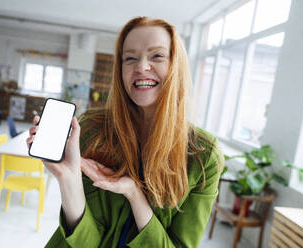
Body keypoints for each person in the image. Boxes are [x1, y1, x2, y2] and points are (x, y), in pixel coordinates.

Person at [27, 16, 224, 248]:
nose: (141, 67)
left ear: (175, 66)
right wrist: (68, 179)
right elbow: (85, 241)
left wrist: (134, 193)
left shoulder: (203, 154)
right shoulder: (92, 128)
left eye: (157, 56)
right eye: (129, 58)